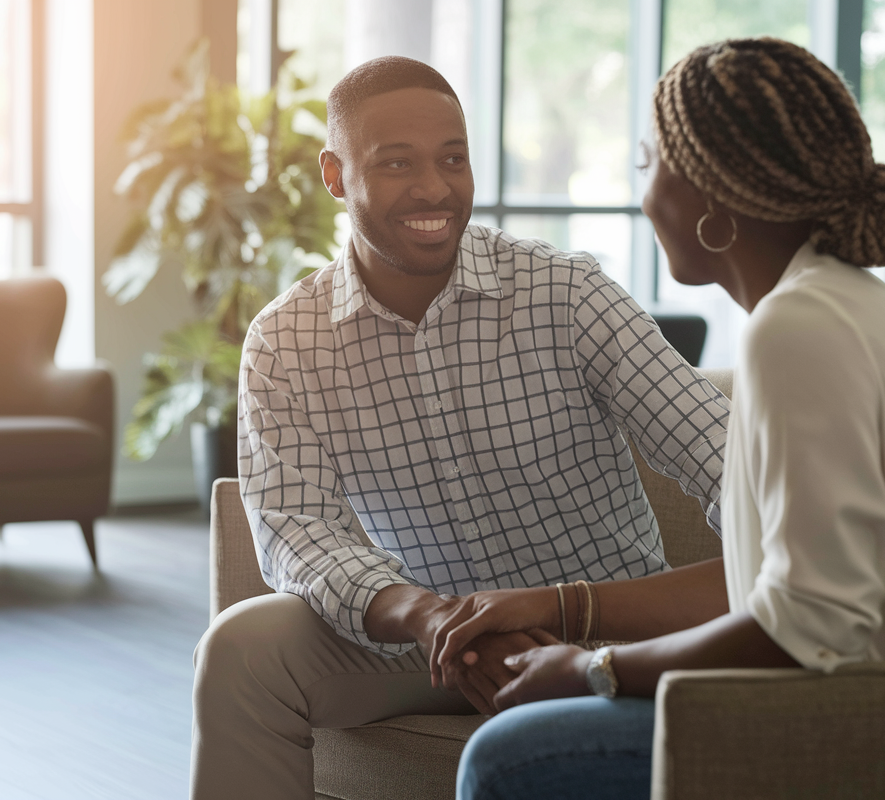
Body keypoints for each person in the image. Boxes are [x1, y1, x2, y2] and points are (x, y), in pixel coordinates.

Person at [452, 37, 885, 800]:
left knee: (507, 758)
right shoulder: (849, 302)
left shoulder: (796, 330)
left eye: (650, 161)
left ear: (712, 193)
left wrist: (590, 670)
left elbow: (810, 621)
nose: (643, 195)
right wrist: (567, 609)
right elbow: (784, 581)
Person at [189, 56, 731, 800]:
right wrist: (430, 616)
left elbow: (729, 459)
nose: (435, 188)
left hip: (599, 635)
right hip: (421, 641)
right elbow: (297, 531)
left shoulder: (566, 294)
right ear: (336, 176)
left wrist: (749, 585)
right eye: (397, 163)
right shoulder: (287, 341)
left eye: (453, 158)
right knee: (242, 652)